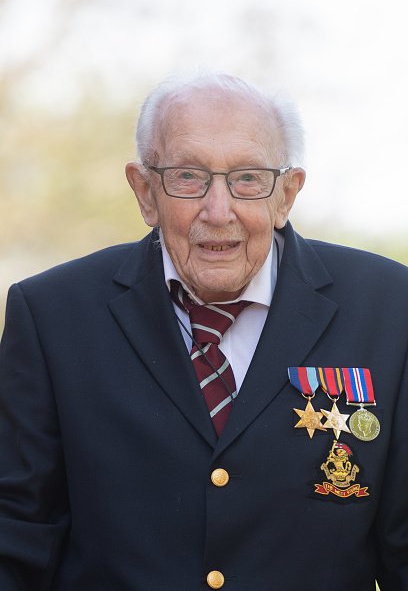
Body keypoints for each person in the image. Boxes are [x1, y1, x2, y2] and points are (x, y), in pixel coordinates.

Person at [0, 73, 407, 591]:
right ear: (144, 192)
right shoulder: (51, 316)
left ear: (287, 193)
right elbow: (15, 533)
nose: (219, 211)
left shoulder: (391, 309)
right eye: (188, 177)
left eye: (248, 178)